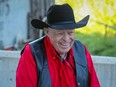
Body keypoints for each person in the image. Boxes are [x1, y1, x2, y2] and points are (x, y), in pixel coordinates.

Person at [16, 3, 100, 87]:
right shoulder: (32, 53)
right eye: (60, 33)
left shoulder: (81, 50)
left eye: (70, 32)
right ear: (47, 31)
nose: (66, 39)